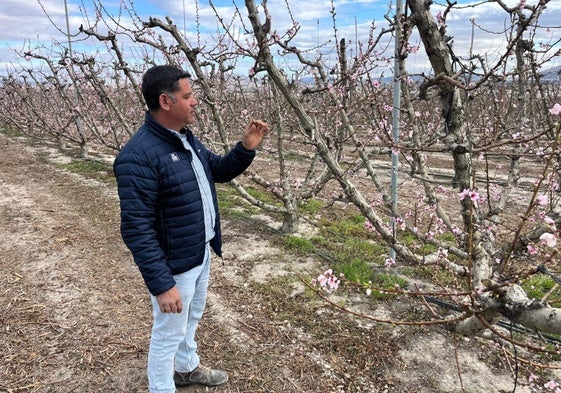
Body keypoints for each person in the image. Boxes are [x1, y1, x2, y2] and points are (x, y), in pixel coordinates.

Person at [113, 65, 268, 392]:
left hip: (198, 252)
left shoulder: (185, 140)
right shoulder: (138, 157)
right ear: (166, 102)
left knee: (191, 318)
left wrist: (246, 147)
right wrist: (161, 284)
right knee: (168, 332)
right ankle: (162, 386)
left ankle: (185, 369)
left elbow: (219, 171)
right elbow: (136, 229)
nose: (195, 102)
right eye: (188, 96)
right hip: (174, 265)